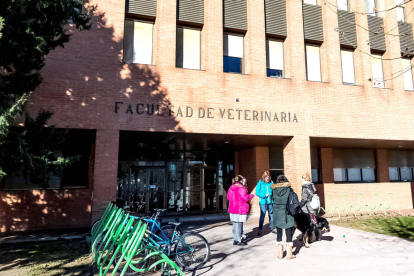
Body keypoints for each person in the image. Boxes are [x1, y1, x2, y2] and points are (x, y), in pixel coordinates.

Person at [271, 175, 296, 260]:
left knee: (279, 232)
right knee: (288, 231)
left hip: (278, 212)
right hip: (287, 212)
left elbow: (272, 200)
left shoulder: (273, 190)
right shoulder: (289, 189)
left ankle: (280, 253)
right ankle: (289, 254)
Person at [227, 175, 254, 246]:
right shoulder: (242, 188)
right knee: (239, 224)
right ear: (241, 181)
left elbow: (228, 197)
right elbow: (245, 198)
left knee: (234, 224)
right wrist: (251, 195)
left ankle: (235, 240)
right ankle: (239, 240)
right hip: (240, 209)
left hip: (232, 208)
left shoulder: (231, 187)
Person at [300, 172, 319, 242]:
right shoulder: (311, 186)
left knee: (306, 224)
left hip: (306, 208)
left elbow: (304, 199)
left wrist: (300, 205)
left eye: (302, 180)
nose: (301, 181)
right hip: (312, 207)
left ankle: (308, 239)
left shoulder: (305, 188)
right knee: (314, 221)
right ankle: (317, 236)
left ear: (305, 179)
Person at [255, 171, 275, 235]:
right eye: (266, 177)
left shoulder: (271, 183)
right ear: (264, 177)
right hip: (263, 202)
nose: (267, 179)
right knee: (262, 216)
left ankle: (272, 228)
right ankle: (260, 229)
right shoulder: (260, 183)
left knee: (271, 215)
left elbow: (274, 191)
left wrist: (270, 193)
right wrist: (264, 195)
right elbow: (257, 192)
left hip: (270, 201)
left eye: (268, 177)